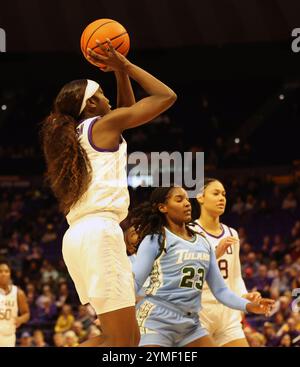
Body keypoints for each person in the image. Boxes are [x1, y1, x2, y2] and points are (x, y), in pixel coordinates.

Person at [40, 39, 177, 347]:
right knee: (121, 340)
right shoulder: (103, 125)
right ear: (90, 105)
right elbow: (166, 96)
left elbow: (126, 111)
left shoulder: (79, 134)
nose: (108, 100)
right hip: (99, 234)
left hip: (79, 235)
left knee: (126, 338)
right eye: (101, 95)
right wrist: (125, 65)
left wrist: (119, 74)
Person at [130, 186, 274, 347]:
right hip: (156, 320)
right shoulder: (155, 240)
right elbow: (134, 284)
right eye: (179, 200)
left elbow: (221, 291)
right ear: (162, 207)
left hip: (189, 323)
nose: (187, 204)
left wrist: (248, 306)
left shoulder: (202, 242)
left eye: (186, 199)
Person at [192, 178, 261, 347]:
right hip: (200, 312)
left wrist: (245, 296)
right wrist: (214, 254)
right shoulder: (190, 232)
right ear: (200, 197)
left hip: (227, 314)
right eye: (215, 193)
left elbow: (235, 276)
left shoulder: (232, 233)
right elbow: (190, 275)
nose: (221, 198)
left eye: (223, 194)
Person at [0, 259, 30, 347]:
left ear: (10, 274)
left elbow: (27, 314)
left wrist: (20, 319)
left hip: (9, 336)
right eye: (0, 271)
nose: (3, 274)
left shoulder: (18, 293)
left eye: (6, 271)